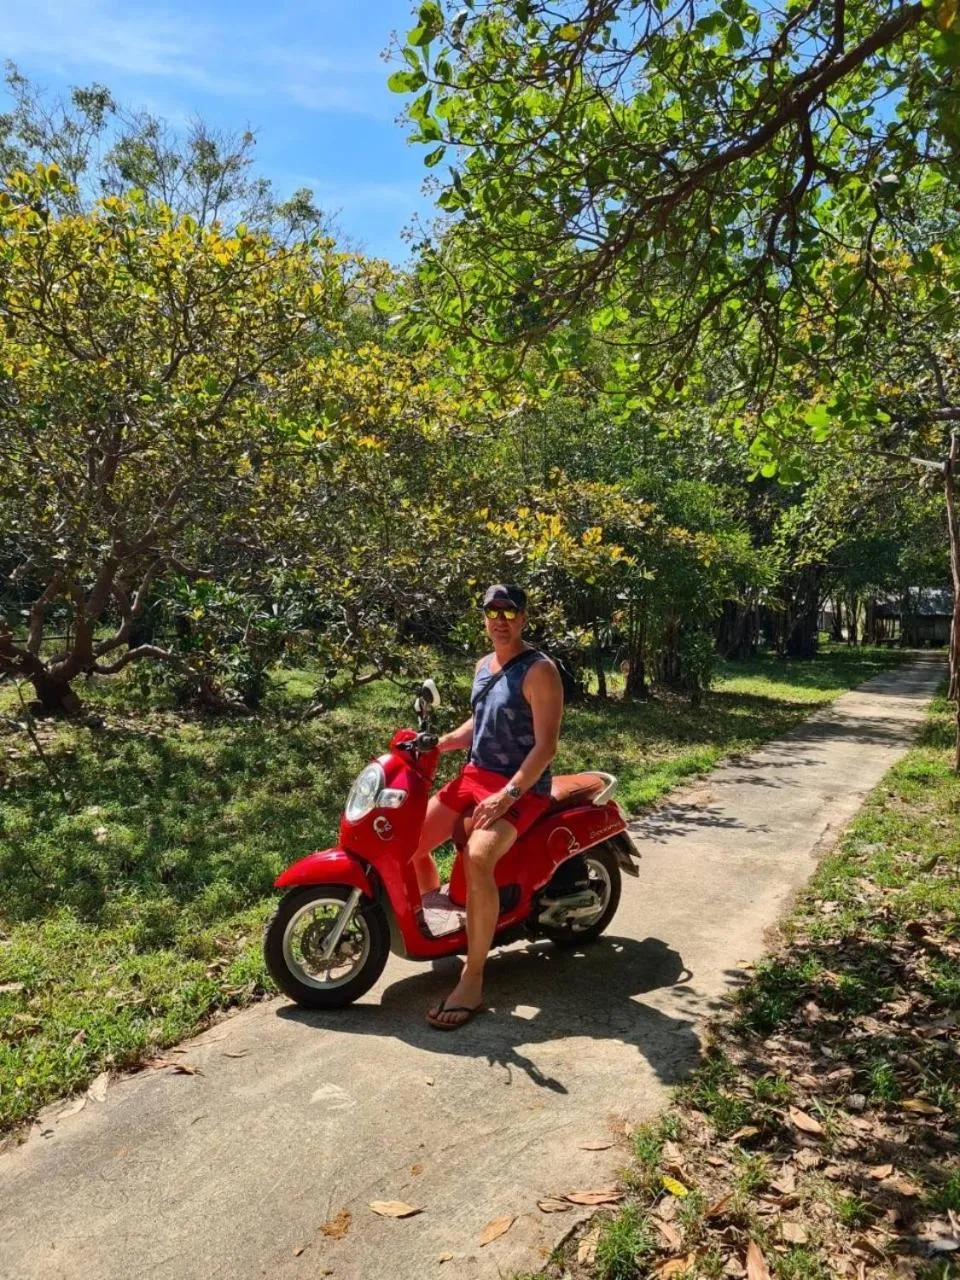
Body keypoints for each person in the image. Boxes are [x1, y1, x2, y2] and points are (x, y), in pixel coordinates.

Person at [413, 584, 564, 1030]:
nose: (500, 619)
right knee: (411, 843)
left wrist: (508, 795)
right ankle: (444, 923)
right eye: (492, 611)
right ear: (483, 618)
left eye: (509, 611)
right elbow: (481, 720)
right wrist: (440, 743)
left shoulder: (541, 671)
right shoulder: (484, 666)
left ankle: (473, 977)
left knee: (479, 856)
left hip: (522, 787)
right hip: (474, 776)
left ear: (523, 618)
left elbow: (546, 746)